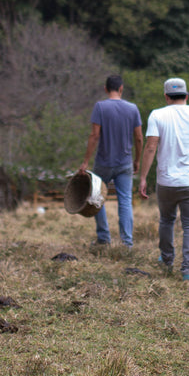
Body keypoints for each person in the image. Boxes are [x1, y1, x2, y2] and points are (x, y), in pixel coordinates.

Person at [138, 77, 189, 282]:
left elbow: (150, 147)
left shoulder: (157, 115)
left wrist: (142, 178)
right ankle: (188, 271)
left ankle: (167, 259)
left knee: (166, 220)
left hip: (166, 182)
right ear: (186, 95)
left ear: (166, 97)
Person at [78, 74, 143, 247]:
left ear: (106, 89)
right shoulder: (133, 108)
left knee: (97, 198)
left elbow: (94, 136)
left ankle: (103, 238)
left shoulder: (100, 107)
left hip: (103, 163)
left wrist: (85, 161)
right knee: (125, 200)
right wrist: (137, 160)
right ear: (121, 89)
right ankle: (127, 243)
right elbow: (138, 138)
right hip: (125, 163)